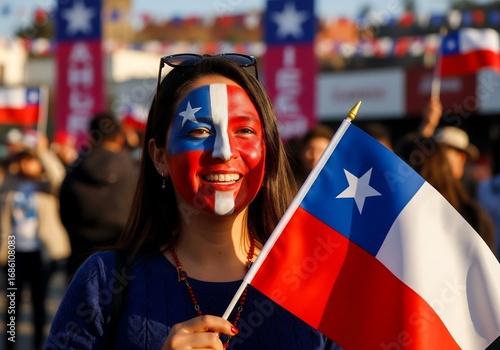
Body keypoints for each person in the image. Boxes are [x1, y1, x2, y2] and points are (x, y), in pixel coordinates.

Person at [45, 54, 342, 349]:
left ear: (268, 151)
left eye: (245, 130)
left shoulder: (318, 284)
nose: (223, 151)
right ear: (160, 156)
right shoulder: (103, 283)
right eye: (199, 130)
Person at [0, 133, 70, 350]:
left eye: (31, 160)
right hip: (13, 252)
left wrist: (42, 151)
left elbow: (59, 174)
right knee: (13, 302)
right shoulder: (10, 183)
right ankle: (10, 344)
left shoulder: (47, 185)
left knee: (40, 303)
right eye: (24, 160)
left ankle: (39, 345)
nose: (26, 164)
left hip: (42, 253)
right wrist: (19, 149)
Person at [58, 111, 138, 280]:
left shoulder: (75, 168)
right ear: (119, 137)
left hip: (81, 256)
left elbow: (64, 209)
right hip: (124, 259)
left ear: (92, 137)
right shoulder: (133, 168)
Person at [396, 135, 496, 255]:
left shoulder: (473, 215)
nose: (462, 160)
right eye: (457, 152)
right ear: (442, 159)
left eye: (465, 156)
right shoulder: (473, 215)